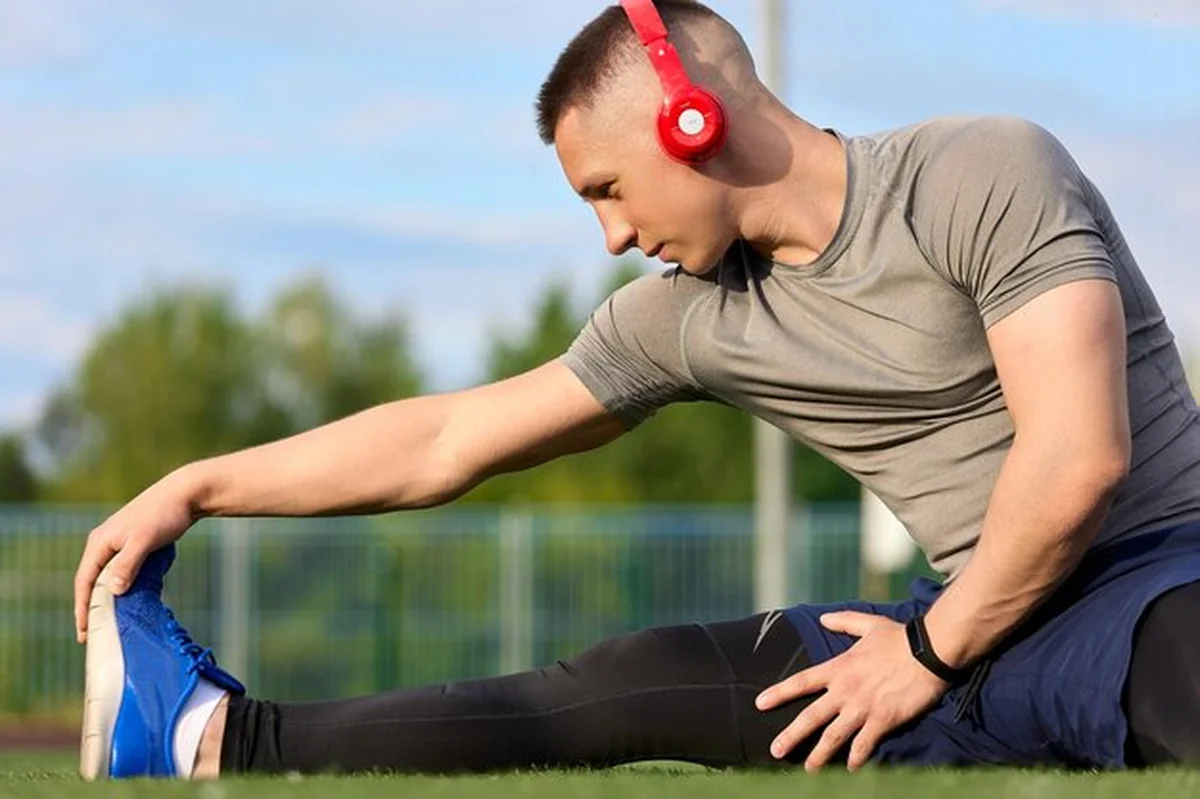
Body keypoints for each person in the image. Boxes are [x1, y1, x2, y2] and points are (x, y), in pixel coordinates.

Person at [74, 0, 1200, 782]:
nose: (613, 233)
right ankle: (212, 739)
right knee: (627, 682)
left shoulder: (981, 169)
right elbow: (448, 438)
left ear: (691, 119)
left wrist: (925, 655)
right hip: (960, 637)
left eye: (608, 188)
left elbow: (1077, 459)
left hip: (1149, 579)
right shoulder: (683, 316)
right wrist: (197, 485)